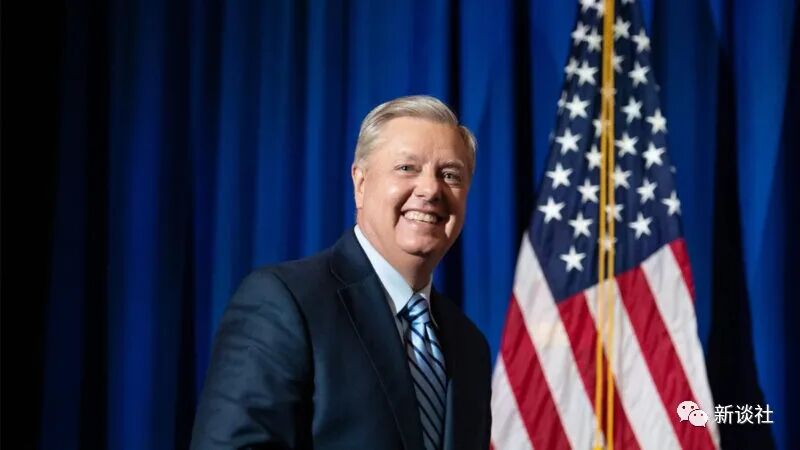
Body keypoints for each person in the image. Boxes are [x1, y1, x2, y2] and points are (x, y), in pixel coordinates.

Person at [190, 95, 492, 450]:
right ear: (360, 184)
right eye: (407, 168)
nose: (430, 189)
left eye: (450, 175)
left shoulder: (470, 346)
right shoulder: (286, 303)